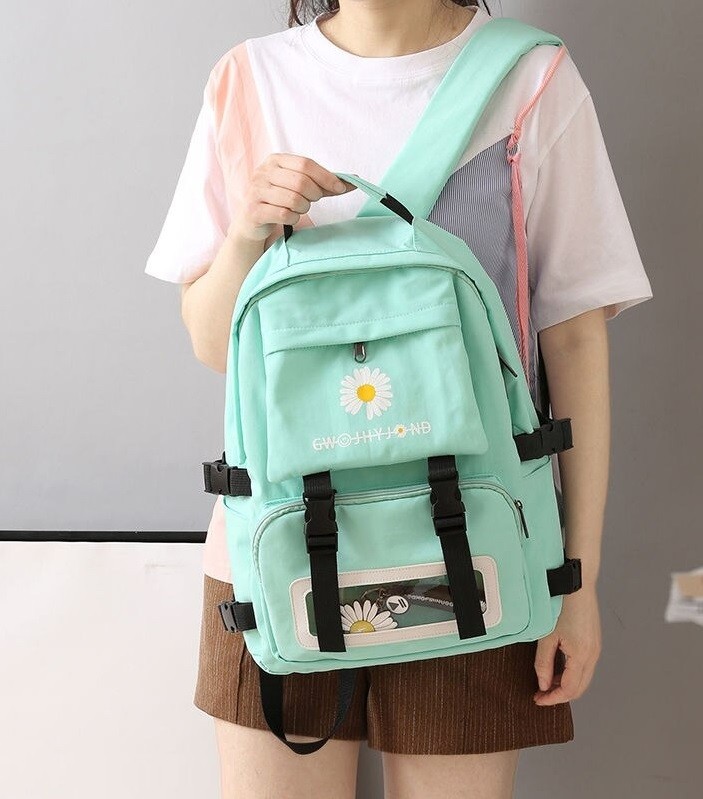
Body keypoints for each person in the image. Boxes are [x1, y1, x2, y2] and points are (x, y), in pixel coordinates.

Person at [145, 1, 653, 796]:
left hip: (478, 548)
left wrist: (576, 583)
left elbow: (576, 342)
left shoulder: (528, 77)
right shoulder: (248, 80)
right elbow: (216, 345)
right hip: (275, 554)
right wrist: (247, 233)